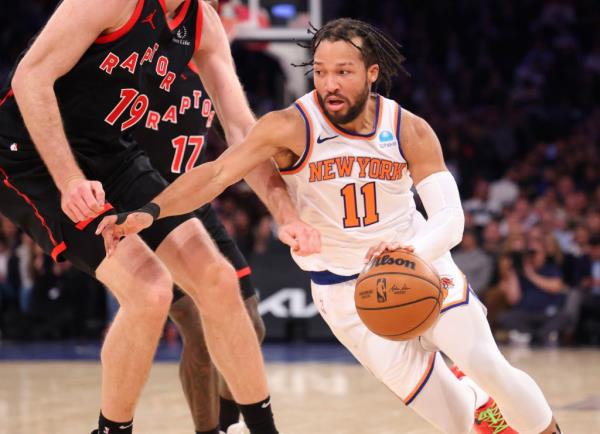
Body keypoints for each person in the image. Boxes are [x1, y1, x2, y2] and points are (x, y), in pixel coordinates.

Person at [100, 18, 567, 434]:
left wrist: (411, 252)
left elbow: (451, 220)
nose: (330, 84)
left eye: (343, 72)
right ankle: (477, 406)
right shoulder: (290, 126)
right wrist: (153, 211)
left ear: (371, 74)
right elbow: (218, 174)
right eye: (320, 72)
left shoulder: (409, 129)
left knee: (488, 364)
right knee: (458, 423)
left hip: (422, 267)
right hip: (346, 295)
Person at [0, 1, 320, 433]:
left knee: (219, 281)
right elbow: (30, 76)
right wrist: (69, 180)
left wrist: (285, 213)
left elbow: (243, 131)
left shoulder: (202, 20)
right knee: (150, 290)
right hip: (32, 155)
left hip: (112, 151)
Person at [132, 20, 265, 434]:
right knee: (199, 330)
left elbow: (241, 127)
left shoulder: (210, 50)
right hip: (144, 203)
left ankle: (226, 423)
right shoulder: (133, 47)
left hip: (193, 202)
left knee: (251, 325)